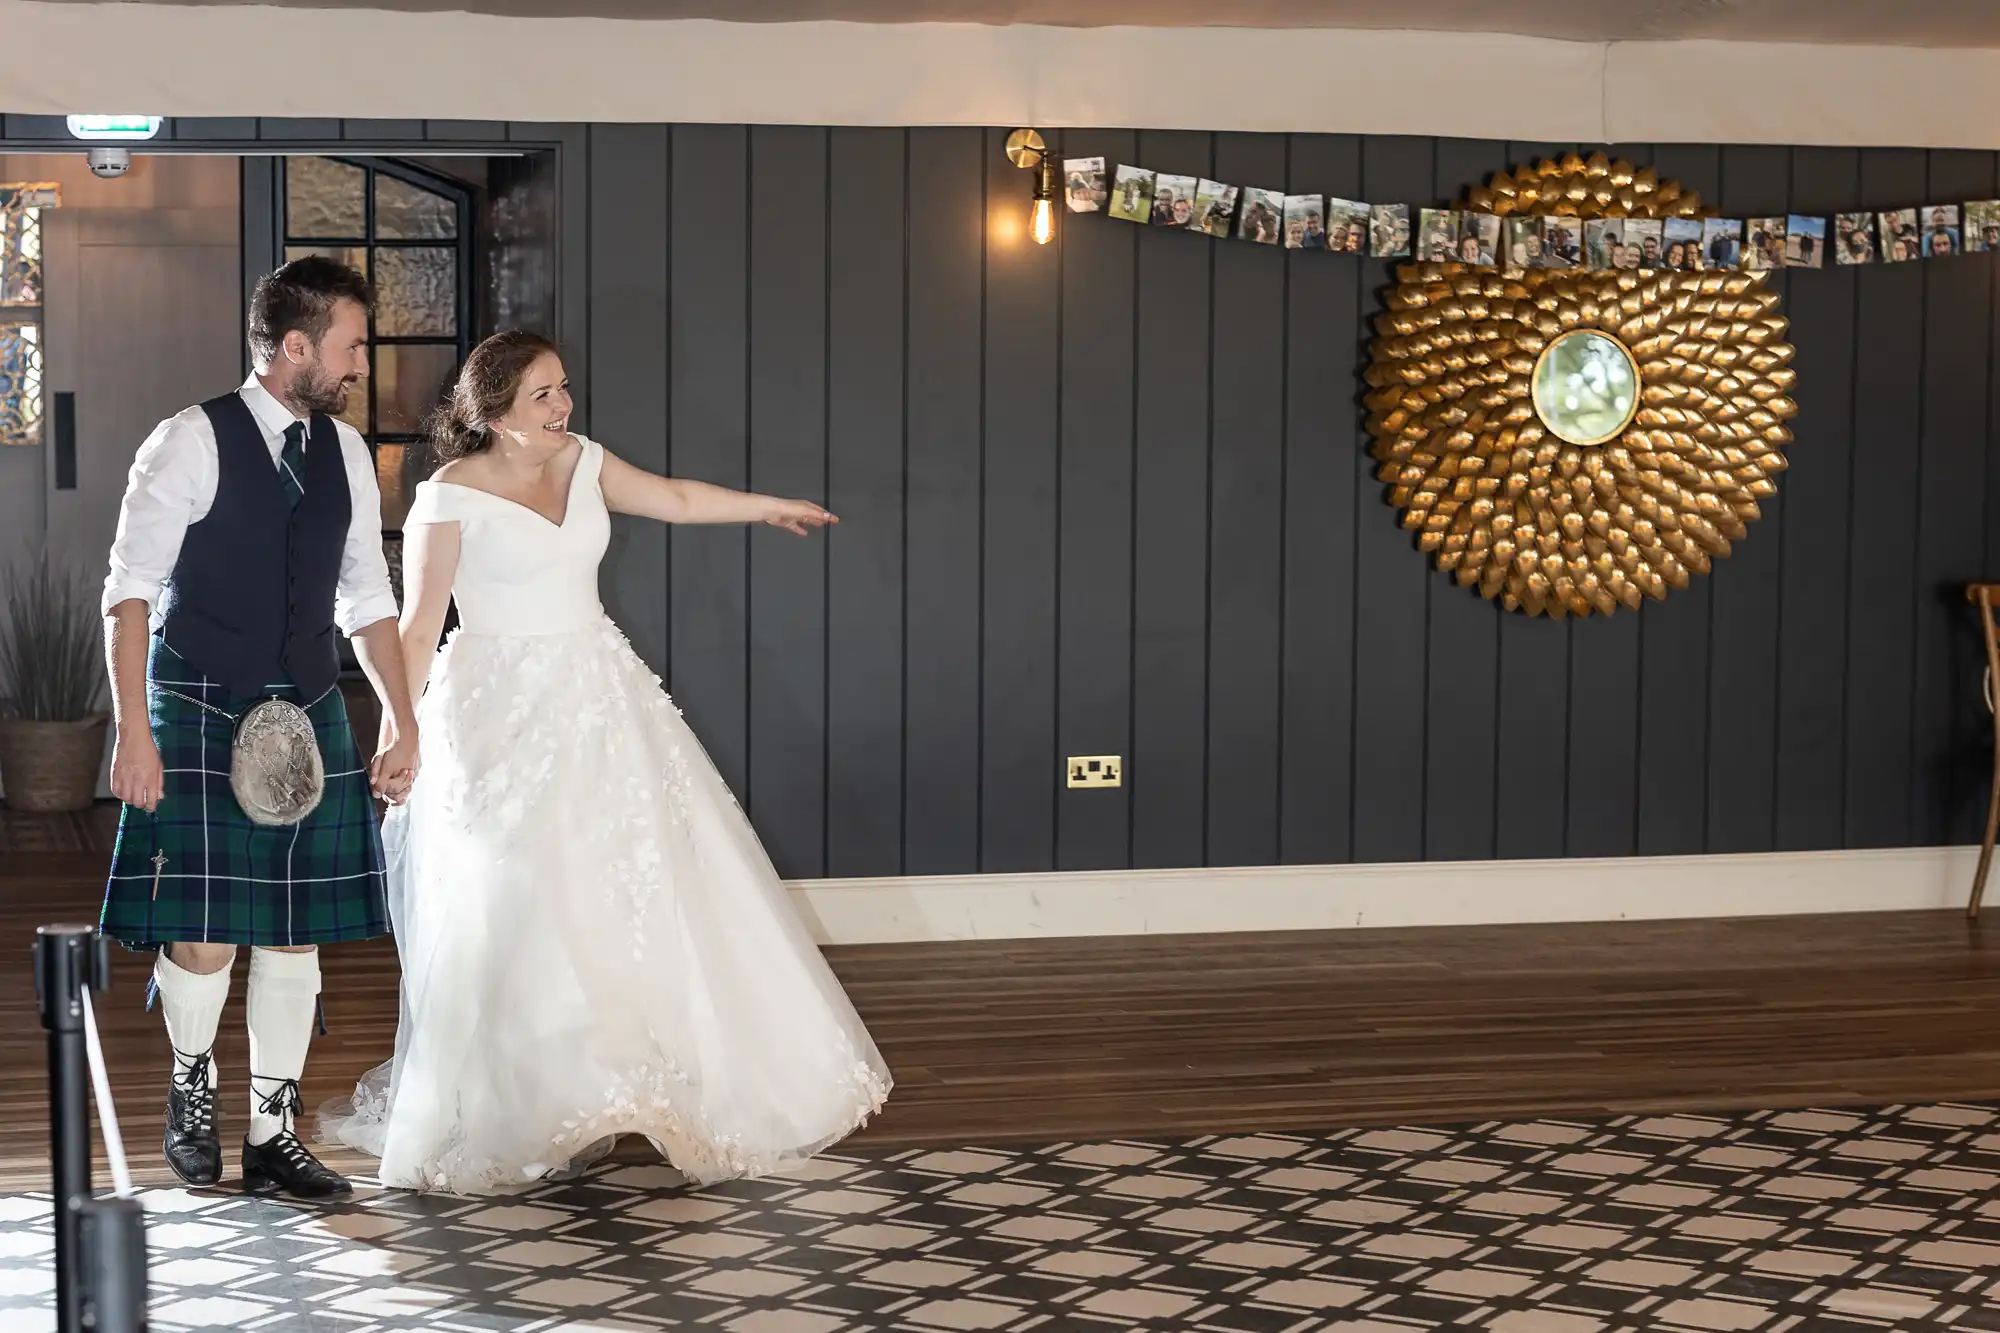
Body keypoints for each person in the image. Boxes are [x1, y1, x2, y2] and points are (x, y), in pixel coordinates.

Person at [320, 330, 892, 1195]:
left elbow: (675, 498)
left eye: (564, 388)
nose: (565, 406)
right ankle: (528, 1101)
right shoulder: (448, 495)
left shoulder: (584, 460)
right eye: (545, 394)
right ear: (499, 414)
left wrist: (766, 505)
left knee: (624, 884)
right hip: (497, 709)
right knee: (516, 900)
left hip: (597, 691)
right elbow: (418, 621)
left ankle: (627, 1085)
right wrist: (399, 726)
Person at [99, 256, 419, 1199]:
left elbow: (367, 596)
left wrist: (402, 718)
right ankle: (193, 1086)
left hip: (308, 706)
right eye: (351, 343)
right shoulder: (189, 441)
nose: (361, 362)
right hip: (198, 697)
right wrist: (132, 732)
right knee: (204, 932)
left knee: (291, 933)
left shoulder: (348, 454)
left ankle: (272, 1131)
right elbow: (127, 594)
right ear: (293, 347)